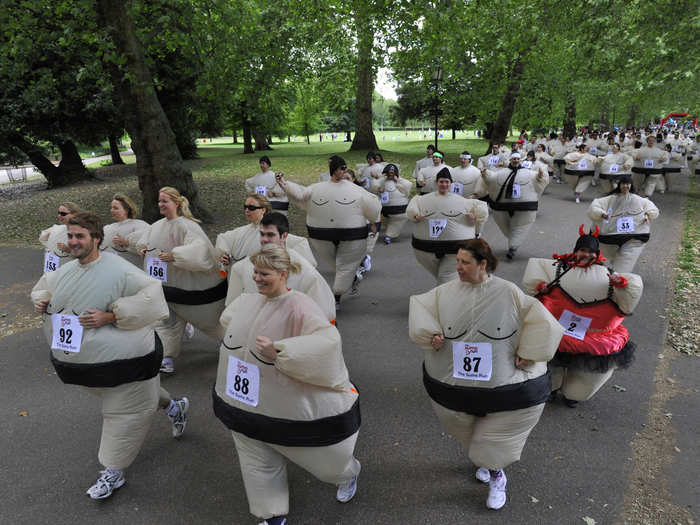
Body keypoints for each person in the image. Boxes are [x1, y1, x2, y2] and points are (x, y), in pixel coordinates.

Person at [31, 212, 189, 500]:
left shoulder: (120, 270)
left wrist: (112, 315)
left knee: (123, 412)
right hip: (85, 368)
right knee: (138, 395)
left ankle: (112, 472)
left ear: (96, 239)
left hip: (127, 364)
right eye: (70, 236)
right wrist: (40, 300)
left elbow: (153, 299)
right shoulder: (66, 271)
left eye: (80, 236)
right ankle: (175, 406)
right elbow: (43, 286)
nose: (73, 242)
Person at [408, 239, 563, 511]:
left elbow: (543, 321)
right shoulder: (445, 292)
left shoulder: (508, 292)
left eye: (465, 262)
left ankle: (496, 475)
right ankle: (488, 462)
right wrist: (430, 334)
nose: (458, 267)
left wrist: (529, 351)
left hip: (506, 388)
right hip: (454, 389)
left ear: (483, 264)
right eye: (457, 261)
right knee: (468, 435)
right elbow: (422, 309)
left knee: (490, 448)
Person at [212, 245, 361, 524]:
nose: (257, 278)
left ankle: (348, 473)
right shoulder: (247, 301)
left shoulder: (300, 305)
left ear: (283, 274)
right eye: (255, 272)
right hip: (245, 405)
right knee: (256, 458)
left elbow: (327, 341)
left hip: (287, 404)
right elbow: (227, 320)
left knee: (326, 462)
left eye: (264, 273)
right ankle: (271, 515)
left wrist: (282, 352)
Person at [522, 227, 643, 407]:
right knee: (550, 365)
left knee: (585, 377)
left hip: (593, 335)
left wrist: (621, 285)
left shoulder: (609, 277)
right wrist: (541, 287)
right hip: (557, 329)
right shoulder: (558, 269)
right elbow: (534, 286)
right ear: (575, 251)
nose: (586, 254)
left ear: (597, 254)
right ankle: (551, 388)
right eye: (583, 250)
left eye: (591, 252)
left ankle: (573, 394)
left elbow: (628, 300)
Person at [136, 187, 226, 374]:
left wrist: (176, 256)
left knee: (210, 321)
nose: (160, 204)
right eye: (159, 201)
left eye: (165, 201)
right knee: (165, 322)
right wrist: (143, 248)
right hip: (166, 287)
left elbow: (201, 251)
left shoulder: (187, 225)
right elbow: (145, 240)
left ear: (176, 203)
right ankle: (166, 358)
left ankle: (231, 342)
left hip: (189, 288)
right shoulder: (157, 225)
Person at [276, 156, 381, 309]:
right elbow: (301, 194)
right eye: (341, 168)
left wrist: (373, 223)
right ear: (335, 170)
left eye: (345, 168)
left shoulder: (356, 190)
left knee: (345, 267)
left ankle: (336, 295)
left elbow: (373, 206)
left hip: (351, 236)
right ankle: (350, 279)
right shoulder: (317, 188)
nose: (344, 171)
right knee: (339, 266)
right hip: (321, 236)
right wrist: (285, 184)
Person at [225, 212, 335, 321]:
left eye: (270, 235)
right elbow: (232, 308)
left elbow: (325, 313)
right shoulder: (242, 267)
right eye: (262, 234)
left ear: (284, 236)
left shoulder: (305, 271)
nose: (264, 239)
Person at [407, 168, 488, 284]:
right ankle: (456, 290)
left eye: (446, 182)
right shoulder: (421, 200)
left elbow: (480, 213)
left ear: (451, 183)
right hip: (425, 248)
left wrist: (473, 219)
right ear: (436, 183)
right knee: (443, 275)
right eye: (441, 182)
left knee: (445, 277)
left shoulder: (462, 202)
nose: (444, 184)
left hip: (454, 249)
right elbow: (412, 210)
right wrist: (415, 217)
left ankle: (445, 297)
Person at [217, 194, 316, 270]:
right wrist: (225, 255)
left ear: (263, 210)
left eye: (251, 208)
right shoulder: (241, 231)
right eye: (245, 207)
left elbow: (298, 243)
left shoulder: (275, 230)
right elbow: (224, 239)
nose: (247, 210)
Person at [480, 152, 548, 260]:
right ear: (510, 160)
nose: (515, 161)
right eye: (513, 159)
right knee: (506, 227)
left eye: (517, 159)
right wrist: (486, 174)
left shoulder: (529, 173)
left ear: (520, 160)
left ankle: (513, 247)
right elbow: (492, 179)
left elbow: (538, 179)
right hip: (502, 207)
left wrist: (540, 175)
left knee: (521, 226)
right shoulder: (501, 173)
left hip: (524, 207)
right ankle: (513, 241)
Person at [587, 175, 659, 272]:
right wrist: (602, 213)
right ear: (619, 185)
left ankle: (619, 275)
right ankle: (614, 265)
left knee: (625, 261)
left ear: (631, 185)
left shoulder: (639, 200)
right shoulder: (609, 199)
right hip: (609, 235)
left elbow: (651, 208)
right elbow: (595, 206)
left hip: (635, 234)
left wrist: (647, 214)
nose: (626, 186)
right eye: (624, 184)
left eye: (628, 184)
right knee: (608, 251)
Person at [100, 193, 149, 267]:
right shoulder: (107, 228)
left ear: (126, 210)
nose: (112, 210)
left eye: (116, 208)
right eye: (111, 208)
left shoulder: (140, 225)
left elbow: (149, 249)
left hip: (134, 270)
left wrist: (127, 243)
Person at [370, 163, 412, 244]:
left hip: (399, 209)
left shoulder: (400, 181)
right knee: (385, 220)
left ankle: (389, 235)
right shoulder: (382, 180)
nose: (390, 174)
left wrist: (398, 181)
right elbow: (374, 185)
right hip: (385, 208)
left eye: (392, 173)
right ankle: (387, 232)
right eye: (388, 173)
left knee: (396, 221)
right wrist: (378, 188)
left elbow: (408, 186)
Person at [39, 202, 81, 273]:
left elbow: (87, 255)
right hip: (51, 274)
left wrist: (69, 250)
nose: (59, 216)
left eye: (63, 214)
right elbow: (42, 238)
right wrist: (48, 236)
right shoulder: (56, 228)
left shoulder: (82, 232)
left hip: (68, 274)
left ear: (74, 214)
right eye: (58, 213)